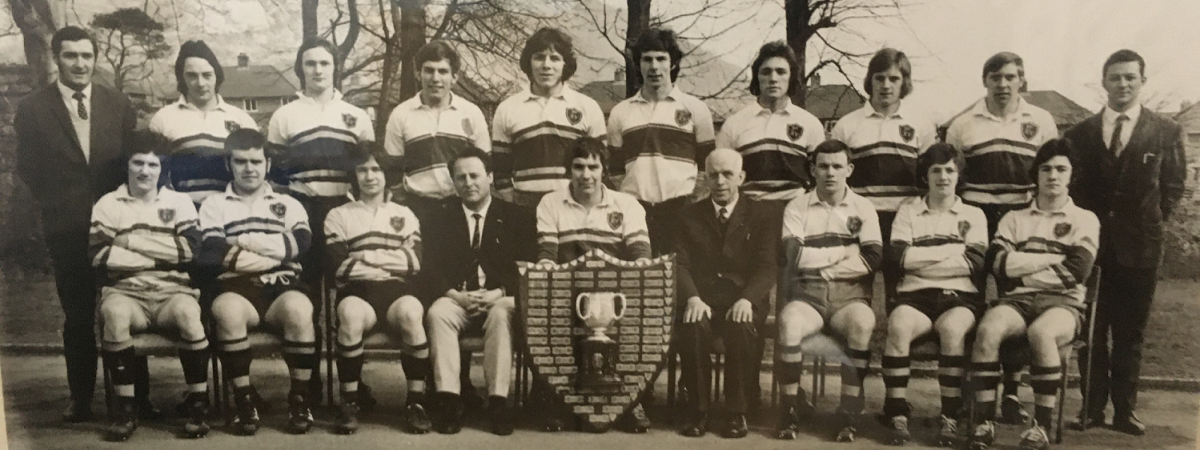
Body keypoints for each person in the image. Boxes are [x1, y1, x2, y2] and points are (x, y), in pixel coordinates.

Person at [14, 25, 146, 423]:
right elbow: (28, 167)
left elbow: (131, 163)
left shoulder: (117, 104)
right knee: (77, 314)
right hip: (67, 226)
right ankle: (82, 398)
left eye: (86, 56)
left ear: (95, 59)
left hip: (117, 227)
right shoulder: (34, 108)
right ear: (57, 59)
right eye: (71, 55)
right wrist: (57, 203)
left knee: (127, 304)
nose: (79, 63)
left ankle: (136, 397)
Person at [1066, 49, 1187, 436]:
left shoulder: (1165, 131)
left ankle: (1125, 411)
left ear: (1142, 82)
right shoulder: (1080, 133)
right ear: (1104, 82)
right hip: (1092, 250)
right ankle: (1092, 407)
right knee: (1092, 334)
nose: (1123, 84)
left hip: (1141, 249)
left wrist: (1147, 224)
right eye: (1115, 77)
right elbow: (1073, 188)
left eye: (1130, 78)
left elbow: (1173, 187)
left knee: (1130, 335)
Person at [944, 52, 1058, 423]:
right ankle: (966, 391)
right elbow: (952, 177)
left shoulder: (1040, 121)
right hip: (977, 219)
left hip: (1021, 222)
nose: (1003, 84)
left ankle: (1011, 392)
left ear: (1022, 80)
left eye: (1011, 77)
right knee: (970, 300)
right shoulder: (963, 124)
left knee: (1016, 302)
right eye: (995, 77)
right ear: (985, 81)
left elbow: (1049, 171)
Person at [967, 138, 1099, 450]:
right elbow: (998, 264)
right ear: (1036, 175)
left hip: (1064, 304)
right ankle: (984, 422)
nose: (1053, 176)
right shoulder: (1014, 219)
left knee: (1042, 333)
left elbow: (1076, 272)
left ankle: (1040, 427)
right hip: (1018, 300)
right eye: (1046, 169)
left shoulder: (1085, 219)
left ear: (1071, 175)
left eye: (1060, 169)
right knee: (987, 329)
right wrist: (1050, 260)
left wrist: (1021, 268)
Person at [268, 38, 377, 405]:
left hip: (344, 209)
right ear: (301, 68)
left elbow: (367, 171)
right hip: (304, 208)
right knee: (308, 295)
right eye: (310, 63)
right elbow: (278, 178)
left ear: (335, 67)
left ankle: (353, 383)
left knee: (349, 291)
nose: (317, 70)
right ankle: (310, 380)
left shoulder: (356, 116)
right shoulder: (285, 115)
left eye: (324, 63)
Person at [89, 131, 211, 441]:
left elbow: (189, 251)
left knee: (189, 314)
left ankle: (198, 405)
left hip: (172, 291)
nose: (145, 171)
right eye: (138, 163)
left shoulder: (179, 201)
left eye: (153, 165)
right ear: (128, 166)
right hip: (126, 292)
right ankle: (127, 410)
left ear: (163, 169)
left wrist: (129, 241)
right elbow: (100, 256)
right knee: (114, 316)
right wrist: (162, 253)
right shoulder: (108, 204)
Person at [199, 129, 317, 436]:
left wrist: (241, 239)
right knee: (227, 311)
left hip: (282, 285)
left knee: (299, 309)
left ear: (267, 164)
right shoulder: (214, 204)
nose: (248, 168)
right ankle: (244, 401)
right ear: (229, 165)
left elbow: (301, 243)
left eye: (255, 161)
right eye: (240, 162)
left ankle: (299, 400)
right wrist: (272, 253)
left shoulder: (287, 203)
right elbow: (213, 251)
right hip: (235, 286)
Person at [535, 136, 652, 433]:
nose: (585, 175)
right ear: (568, 170)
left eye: (592, 166)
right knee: (545, 308)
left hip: (614, 293)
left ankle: (629, 401)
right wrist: (549, 272)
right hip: (568, 292)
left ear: (604, 169)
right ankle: (558, 401)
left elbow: (641, 255)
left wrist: (629, 274)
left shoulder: (627, 204)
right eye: (577, 167)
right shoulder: (550, 203)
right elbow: (547, 255)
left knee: (640, 310)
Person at [424, 147, 537, 436]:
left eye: (475, 175)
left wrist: (498, 292)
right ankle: (449, 400)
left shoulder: (517, 217)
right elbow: (430, 267)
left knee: (501, 314)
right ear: (453, 182)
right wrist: (454, 295)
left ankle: (498, 402)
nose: (468, 182)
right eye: (460, 177)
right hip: (458, 297)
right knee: (438, 313)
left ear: (489, 177)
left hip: (498, 297)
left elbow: (527, 266)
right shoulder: (439, 217)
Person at [879, 143, 988, 445]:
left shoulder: (974, 214)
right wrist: (953, 251)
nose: (943, 176)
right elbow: (900, 259)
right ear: (925, 176)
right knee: (899, 325)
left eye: (950, 170)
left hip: (960, 297)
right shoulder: (908, 211)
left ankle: (950, 416)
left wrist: (923, 258)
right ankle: (896, 411)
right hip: (914, 296)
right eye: (936, 170)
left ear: (959, 175)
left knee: (953, 329)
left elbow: (974, 263)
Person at [775, 139, 882, 443]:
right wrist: (847, 252)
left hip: (850, 295)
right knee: (789, 323)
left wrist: (826, 266)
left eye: (837, 166)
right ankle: (789, 410)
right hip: (808, 293)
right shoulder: (798, 205)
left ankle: (848, 413)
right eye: (823, 166)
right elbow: (793, 256)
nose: (830, 173)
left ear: (849, 169)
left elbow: (872, 258)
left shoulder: (863, 206)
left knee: (862, 323)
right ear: (812, 169)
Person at [323, 145, 431, 435]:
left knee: (411, 313)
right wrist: (389, 259)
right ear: (353, 175)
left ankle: (416, 403)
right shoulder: (338, 215)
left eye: (376, 169)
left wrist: (364, 256)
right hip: (358, 291)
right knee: (350, 316)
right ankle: (349, 402)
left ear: (386, 175)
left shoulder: (405, 213)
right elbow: (340, 269)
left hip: (397, 291)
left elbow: (413, 263)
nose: (370, 176)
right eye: (362, 169)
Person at [674, 149, 777, 439]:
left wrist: (748, 299)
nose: (720, 181)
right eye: (713, 174)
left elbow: (767, 267)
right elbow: (680, 263)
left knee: (742, 326)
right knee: (693, 324)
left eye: (727, 174)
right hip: (703, 296)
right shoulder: (689, 216)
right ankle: (698, 410)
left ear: (741, 177)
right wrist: (692, 297)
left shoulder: (761, 215)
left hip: (742, 297)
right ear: (705, 178)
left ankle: (737, 412)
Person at [831, 48, 937, 304]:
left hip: (904, 220)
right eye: (879, 78)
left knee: (900, 292)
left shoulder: (921, 124)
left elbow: (928, 179)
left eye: (894, 79)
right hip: (861, 220)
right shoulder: (847, 125)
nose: (886, 86)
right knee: (855, 291)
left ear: (905, 83)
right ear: (870, 81)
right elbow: (836, 176)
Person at [607, 27, 715, 256]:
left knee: (681, 280)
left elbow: (708, 165)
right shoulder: (620, 113)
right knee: (640, 280)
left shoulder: (695, 109)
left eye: (661, 59)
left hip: (682, 210)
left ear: (673, 63)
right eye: (647, 59)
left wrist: (691, 200)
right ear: (638, 64)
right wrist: (629, 201)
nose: (654, 67)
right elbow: (615, 171)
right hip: (636, 210)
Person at [492, 27, 606, 208]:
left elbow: (600, 167)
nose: (546, 65)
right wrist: (513, 205)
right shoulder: (508, 109)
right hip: (525, 207)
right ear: (529, 62)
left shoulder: (587, 107)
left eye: (554, 58)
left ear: (565, 64)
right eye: (539, 57)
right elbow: (500, 172)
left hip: (573, 205)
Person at [384, 40, 490, 224]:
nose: (435, 78)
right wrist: (406, 206)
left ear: (454, 77)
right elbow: (392, 171)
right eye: (429, 70)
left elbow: (485, 168)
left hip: (462, 207)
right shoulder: (400, 114)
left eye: (443, 71)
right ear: (418, 74)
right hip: (418, 210)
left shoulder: (471, 113)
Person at [149, 40, 258, 206]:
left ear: (217, 76)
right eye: (192, 76)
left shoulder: (241, 118)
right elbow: (154, 175)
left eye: (207, 75)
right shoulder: (164, 118)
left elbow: (255, 172)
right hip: (182, 214)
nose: (200, 83)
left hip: (231, 212)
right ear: (181, 77)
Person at [716, 41, 824, 203]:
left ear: (791, 77)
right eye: (766, 72)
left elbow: (820, 178)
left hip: (796, 211)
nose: (773, 79)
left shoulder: (810, 124)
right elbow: (722, 177)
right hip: (750, 214)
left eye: (781, 72)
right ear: (757, 77)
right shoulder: (734, 124)